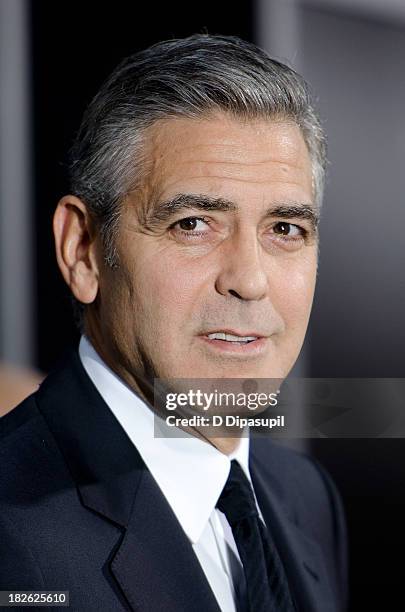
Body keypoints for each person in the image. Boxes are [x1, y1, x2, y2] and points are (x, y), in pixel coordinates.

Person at [0, 34, 348, 611]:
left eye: (285, 229)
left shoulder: (305, 497)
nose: (250, 279)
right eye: (193, 224)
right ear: (83, 250)